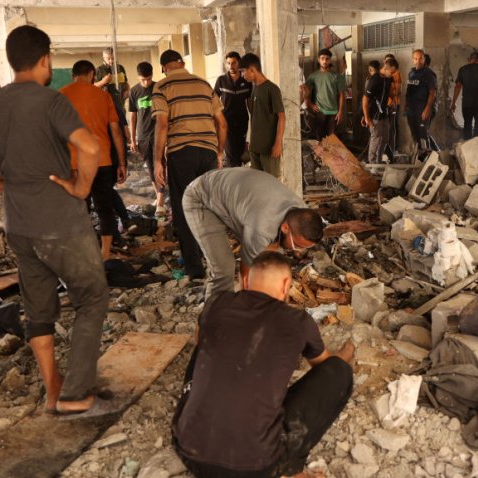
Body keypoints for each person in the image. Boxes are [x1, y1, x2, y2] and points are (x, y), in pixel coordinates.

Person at [0, 25, 108, 416]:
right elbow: (91, 146)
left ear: (13, 60)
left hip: (20, 225)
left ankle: (52, 391)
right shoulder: (52, 101)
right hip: (62, 223)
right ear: (45, 59)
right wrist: (81, 187)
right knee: (92, 298)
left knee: (39, 309)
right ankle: (76, 394)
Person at [173, 251, 354, 478]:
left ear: (246, 280)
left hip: (189, 451)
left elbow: (201, 341)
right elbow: (323, 365)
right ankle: (290, 468)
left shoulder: (217, 303)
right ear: (287, 284)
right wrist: (341, 359)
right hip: (256, 467)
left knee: (203, 348)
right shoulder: (298, 320)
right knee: (339, 372)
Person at [182, 168, 324, 300]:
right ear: (285, 228)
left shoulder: (302, 213)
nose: (298, 251)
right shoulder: (262, 226)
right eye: (297, 245)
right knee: (224, 269)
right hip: (201, 198)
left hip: (233, 198)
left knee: (269, 258)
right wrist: (250, 303)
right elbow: (247, 272)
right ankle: (214, 320)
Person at [152, 49, 228, 280]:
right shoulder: (204, 84)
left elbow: (162, 125)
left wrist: (157, 160)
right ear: (182, 63)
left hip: (181, 153)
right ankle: (217, 264)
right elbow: (222, 124)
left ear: (164, 67)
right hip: (207, 151)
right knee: (207, 207)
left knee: (185, 209)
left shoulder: (162, 87)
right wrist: (218, 152)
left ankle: (195, 270)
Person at [60, 60, 127, 261]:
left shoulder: (61, 96)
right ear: (91, 74)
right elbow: (116, 131)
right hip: (102, 161)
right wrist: (122, 162)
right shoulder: (103, 96)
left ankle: (83, 253)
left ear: (73, 75)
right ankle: (105, 253)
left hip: (75, 164)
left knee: (80, 210)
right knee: (105, 208)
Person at [128, 61, 165, 216]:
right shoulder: (134, 91)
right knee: (150, 168)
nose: (146, 82)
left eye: (148, 79)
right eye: (143, 80)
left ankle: (161, 202)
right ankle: (159, 195)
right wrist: (133, 138)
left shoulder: (159, 88)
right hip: (143, 136)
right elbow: (133, 115)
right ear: (138, 77)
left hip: (159, 133)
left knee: (161, 166)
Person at [240, 53, 285, 178]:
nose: (243, 76)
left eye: (244, 72)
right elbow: (254, 117)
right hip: (255, 147)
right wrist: (251, 140)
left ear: (252, 70)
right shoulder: (255, 88)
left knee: (272, 184)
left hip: (269, 148)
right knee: (258, 184)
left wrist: (278, 143)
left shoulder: (272, 89)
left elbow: (281, 117)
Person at [214, 51, 252, 168]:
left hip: (242, 123)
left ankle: (240, 178)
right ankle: (233, 178)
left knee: (241, 154)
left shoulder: (246, 81)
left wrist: (254, 121)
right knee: (231, 155)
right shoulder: (221, 80)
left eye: (234, 63)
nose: (231, 66)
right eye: (228, 63)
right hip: (226, 124)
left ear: (239, 63)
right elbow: (214, 99)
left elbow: (251, 104)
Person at [451, 52, 478, 140]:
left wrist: (453, 102)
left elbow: (458, 86)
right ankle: (476, 148)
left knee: (467, 125)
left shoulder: (462, 69)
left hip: (467, 104)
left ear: (469, 59)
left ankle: (468, 148)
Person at [303, 48, 346, 140]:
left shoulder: (337, 76)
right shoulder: (313, 76)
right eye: (322, 58)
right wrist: (310, 104)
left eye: (327, 59)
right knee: (320, 139)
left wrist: (341, 112)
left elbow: (342, 95)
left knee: (332, 139)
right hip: (320, 112)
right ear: (319, 60)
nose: (325, 61)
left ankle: (331, 155)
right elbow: (304, 90)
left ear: (330, 60)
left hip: (334, 113)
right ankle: (320, 155)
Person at [405, 49, 436, 152]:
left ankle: (428, 159)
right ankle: (419, 157)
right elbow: (409, 91)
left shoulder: (429, 74)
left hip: (423, 109)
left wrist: (427, 109)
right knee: (415, 135)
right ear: (413, 59)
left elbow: (432, 93)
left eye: (420, 58)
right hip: (411, 110)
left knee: (423, 135)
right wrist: (406, 106)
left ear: (424, 59)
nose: (418, 61)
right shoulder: (411, 73)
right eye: (416, 58)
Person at [362, 59, 393, 164]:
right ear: (385, 69)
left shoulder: (387, 79)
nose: (392, 75)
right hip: (375, 116)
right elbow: (365, 99)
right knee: (376, 140)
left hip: (384, 115)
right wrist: (366, 117)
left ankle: (378, 163)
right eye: (391, 72)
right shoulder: (375, 79)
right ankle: (372, 165)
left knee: (384, 139)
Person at [384, 54, 402, 154]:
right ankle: (386, 149)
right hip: (385, 105)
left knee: (393, 127)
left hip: (393, 104)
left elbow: (397, 91)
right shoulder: (384, 73)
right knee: (387, 127)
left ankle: (393, 149)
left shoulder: (396, 74)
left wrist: (391, 96)